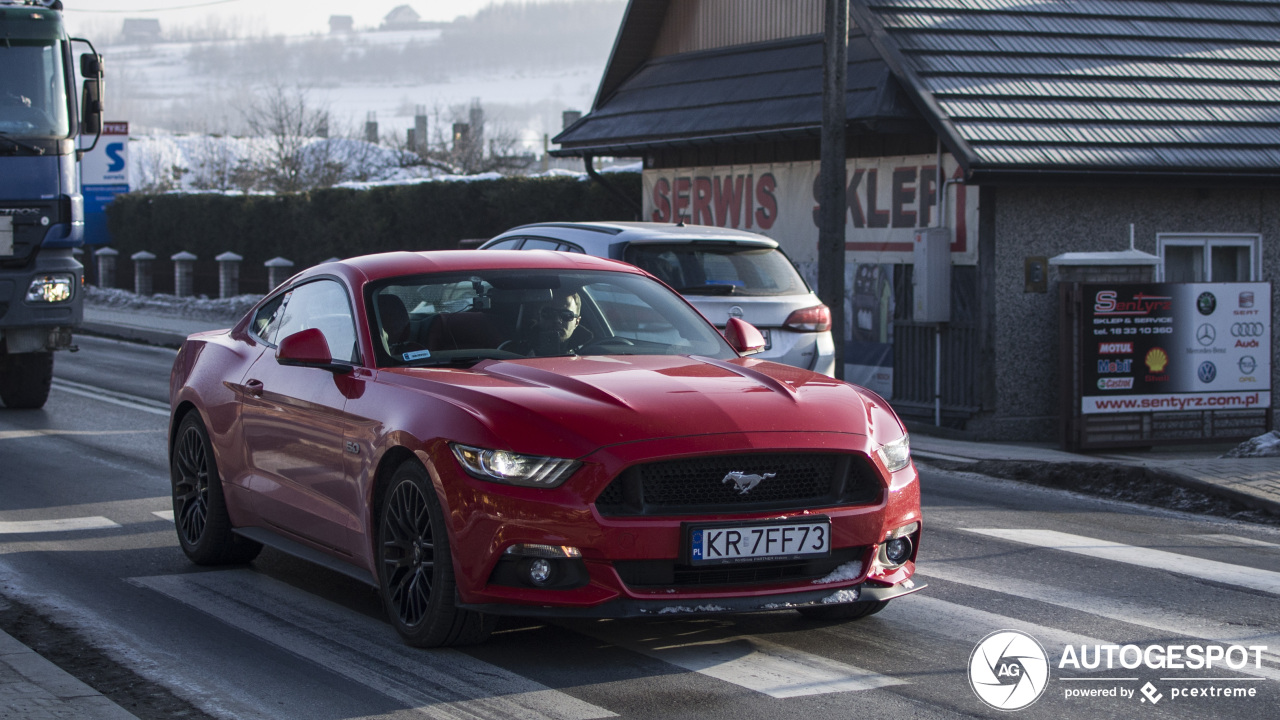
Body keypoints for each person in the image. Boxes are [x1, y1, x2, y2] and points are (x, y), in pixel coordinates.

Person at [507, 290, 593, 356]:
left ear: (577, 322)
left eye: (566, 315)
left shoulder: (591, 353)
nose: (557, 320)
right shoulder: (513, 352)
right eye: (548, 313)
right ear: (538, 317)